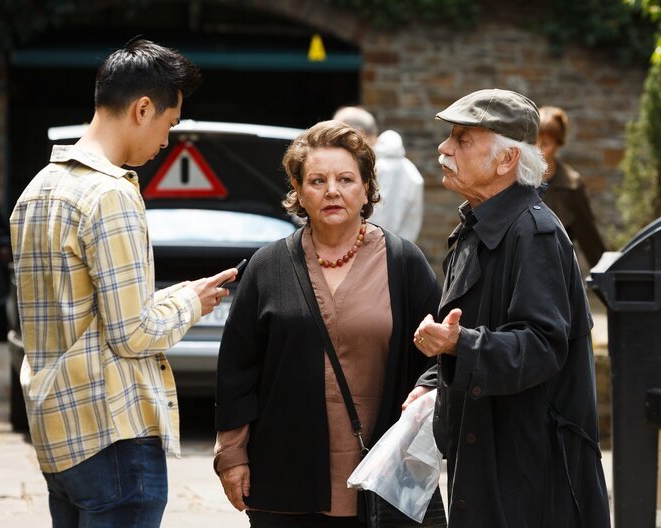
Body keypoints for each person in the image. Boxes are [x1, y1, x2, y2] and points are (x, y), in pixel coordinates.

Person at [9, 39, 239, 527]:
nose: (165, 143)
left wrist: (181, 294)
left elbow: (89, 314)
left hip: (58, 431)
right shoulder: (112, 193)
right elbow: (131, 333)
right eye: (169, 125)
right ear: (142, 109)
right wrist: (191, 308)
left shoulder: (37, 189)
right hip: (110, 432)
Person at [213, 120, 441, 527]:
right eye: (317, 180)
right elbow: (237, 368)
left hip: (384, 483)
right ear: (298, 192)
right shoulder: (268, 267)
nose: (332, 190)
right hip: (285, 479)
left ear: (367, 187)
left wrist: (427, 389)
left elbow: (437, 358)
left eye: (346, 179)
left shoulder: (403, 264)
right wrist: (232, 456)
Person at [405, 89, 610, 527]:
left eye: (462, 139)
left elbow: (541, 345)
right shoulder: (475, 228)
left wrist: (460, 343)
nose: (444, 148)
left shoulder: (535, 233)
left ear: (505, 160)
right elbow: (472, 325)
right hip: (489, 458)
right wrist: (431, 380)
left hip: (531, 478)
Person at [333, 106, 424, 242]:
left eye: (336, 136)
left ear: (358, 134)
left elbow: (379, 228)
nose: (331, 143)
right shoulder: (405, 167)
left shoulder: (383, 168)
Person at [537, 106, 606, 267]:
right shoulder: (516, 179)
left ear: (558, 145)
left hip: (557, 272)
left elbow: (590, 240)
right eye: (533, 142)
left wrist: (608, 285)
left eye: (545, 144)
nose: (537, 149)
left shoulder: (572, 186)